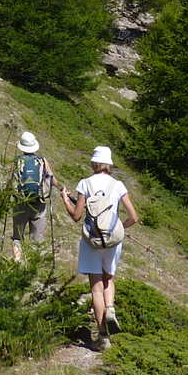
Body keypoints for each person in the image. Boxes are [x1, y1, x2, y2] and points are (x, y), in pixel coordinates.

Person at [61, 146, 139, 351]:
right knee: (108, 279)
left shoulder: (85, 183)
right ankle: (110, 308)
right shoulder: (118, 185)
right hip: (113, 240)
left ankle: (103, 337)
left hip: (92, 240)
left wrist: (64, 200)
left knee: (96, 286)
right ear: (109, 164)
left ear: (94, 163)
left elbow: (77, 216)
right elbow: (134, 216)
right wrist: (119, 227)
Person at [9, 131, 54, 262]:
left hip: (20, 203)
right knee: (37, 238)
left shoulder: (17, 162)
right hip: (38, 203)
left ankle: (17, 263)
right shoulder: (42, 161)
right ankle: (33, 267)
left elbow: (11, 180)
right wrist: (62, 188)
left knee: (18, 237)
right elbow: (51, 178)